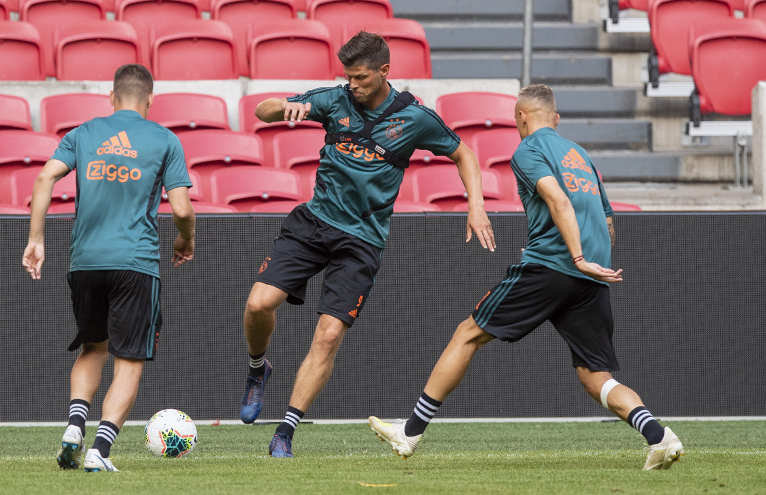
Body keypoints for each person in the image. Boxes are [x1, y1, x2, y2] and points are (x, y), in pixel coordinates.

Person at [367, 83, 684, 471]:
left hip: (553, 266)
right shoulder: (580, 155)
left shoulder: (528, 149)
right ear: (556, 118)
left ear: (521, 117)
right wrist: (591, 264)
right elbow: (607, 220)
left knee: (467, 334)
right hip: (591, 279)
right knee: (593, 375)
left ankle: (410, 432)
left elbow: (558, 200)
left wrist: (577, 257)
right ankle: (660, 436)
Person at [240, 31, 497, 458]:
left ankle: (285, 430)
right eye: (348, 77)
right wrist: (286, 107)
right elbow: (261, 110)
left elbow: (464, 154)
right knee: (258, 304)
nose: (353, 85)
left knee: (328, 334)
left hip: (361, 240)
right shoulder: (334, 100)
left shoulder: (414, 117)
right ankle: (256, 369)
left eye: (360, 78)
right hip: (313, 223)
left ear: (384, 71)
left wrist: (477, 207)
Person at [21, 64, 196, 473]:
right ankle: (100, 450)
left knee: (92, 347)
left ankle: (73, 428)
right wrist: (186, 238)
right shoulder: (165, 140)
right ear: (150, 99)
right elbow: (183, 208)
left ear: (112, 97)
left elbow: (45, 177)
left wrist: (36, 239)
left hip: (85, 261)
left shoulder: (83, 133)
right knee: (129, 359)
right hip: (135, 262)